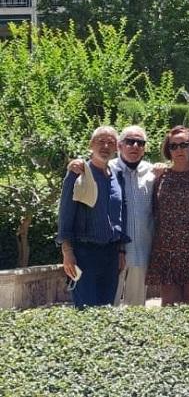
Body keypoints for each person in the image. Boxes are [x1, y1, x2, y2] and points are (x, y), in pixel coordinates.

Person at [67, 124, 155, 306]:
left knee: (135, 309)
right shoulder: (106, 169)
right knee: (102, 307)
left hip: (137, 252)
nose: (135, 146)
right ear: (120, 146)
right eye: (129, 142)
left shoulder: (153, 173)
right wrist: (66, 250)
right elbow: (68, 212)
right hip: (106, 252)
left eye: (140, 143)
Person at [57, 125, 129, 308]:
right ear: (91, 144)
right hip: (84, 254)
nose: (105, 146)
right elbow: (65, 214)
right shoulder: (78, 173)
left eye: (110, 142)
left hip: (111, 255)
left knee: (106, 310)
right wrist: (67, 252)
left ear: (116, 148)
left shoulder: (118, 176)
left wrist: (121, 250)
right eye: (100, 141)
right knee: (85, 311)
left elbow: (122, 215)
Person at [146, 125, 189, 306]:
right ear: (168, 150)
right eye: (173, 146)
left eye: (183, 145)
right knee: (168, 308)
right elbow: (153, 212)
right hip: (166, 252)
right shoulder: (160, 176)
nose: (179, 150)